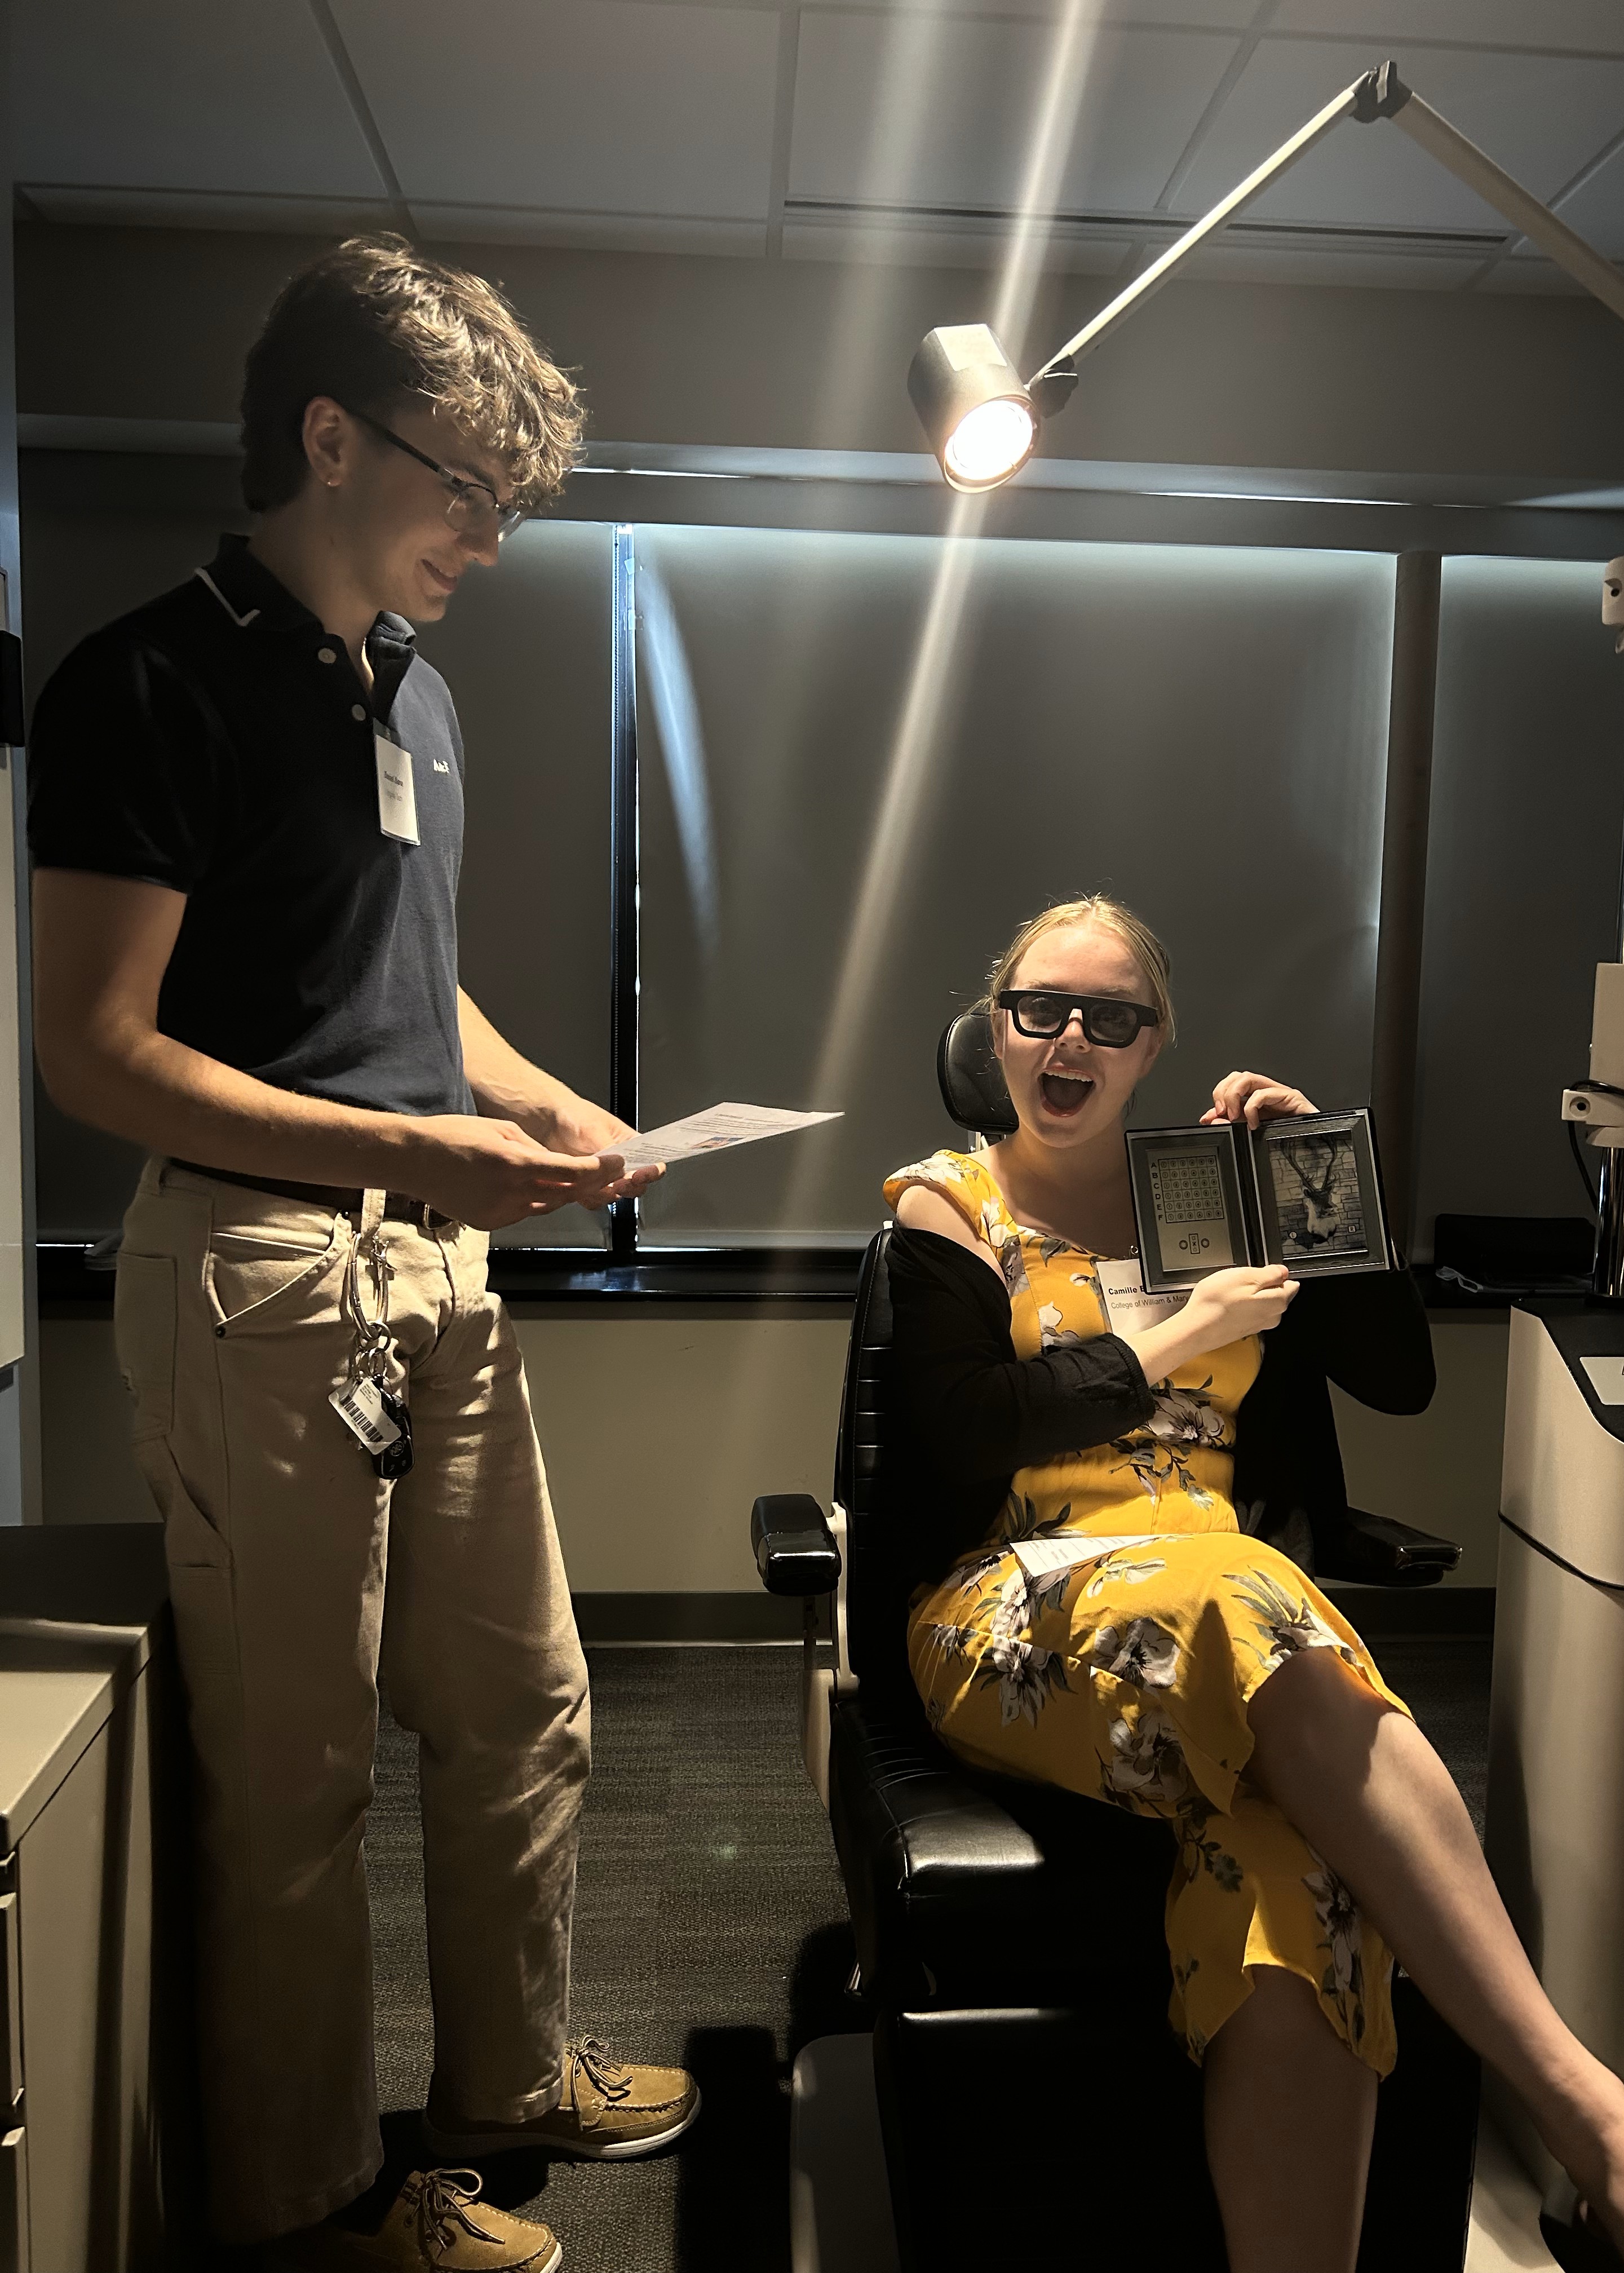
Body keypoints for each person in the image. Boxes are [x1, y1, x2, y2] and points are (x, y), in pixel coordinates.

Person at [28, 237, 697, 2272]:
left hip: (426, 1275)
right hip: (251, 1282)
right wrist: (410, 1139)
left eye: (506, 506)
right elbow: (97, 1051)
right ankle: (315, 2201)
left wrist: (540, 1102)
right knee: (298, 1778)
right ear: (329, 436)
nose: (488, 540)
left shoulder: (420, 697)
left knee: (526, 1704)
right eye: (463, 492)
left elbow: (406, 990)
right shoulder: (145, 681)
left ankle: (510, 2075)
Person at [882, 892, 1624, 2273]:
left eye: (1113, 1018)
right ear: (998, 1033)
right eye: (1041, 1012)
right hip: (1016, 1609)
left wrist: (1324, 1185)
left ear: (1157, 1047)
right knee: (1243, 1590)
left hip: (1228, 1619)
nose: (1071, 1038)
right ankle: (1604, 2129)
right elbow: (962, 1429)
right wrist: (1178, 1339)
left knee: (1294, 1889)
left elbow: (1401, 1375)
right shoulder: (948, 1202)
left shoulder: (1209, 1204)